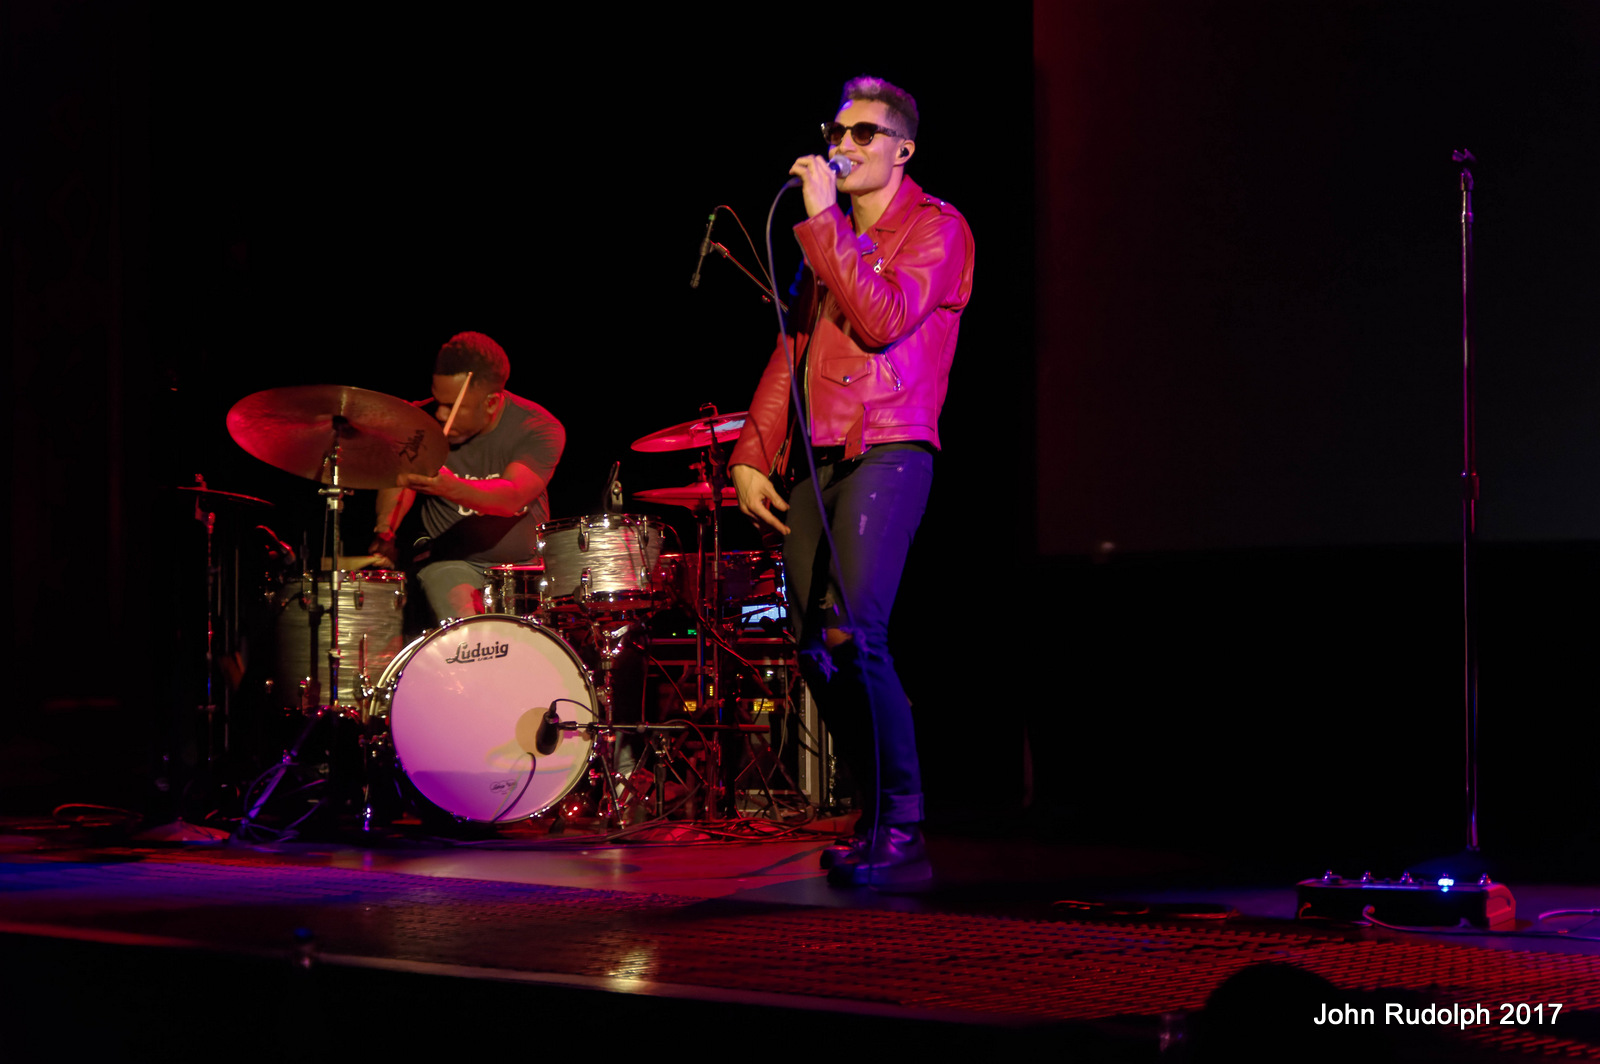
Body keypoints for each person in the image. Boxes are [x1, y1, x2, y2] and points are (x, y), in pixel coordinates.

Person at [729, 76, 975, 887]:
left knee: (854, 632)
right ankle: (874, 818)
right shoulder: (829, 241)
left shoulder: (938, 228)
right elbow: (793, 349)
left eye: (865, 133)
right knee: (812, 645)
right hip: (819, 453)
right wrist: (752, 452)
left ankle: (903, 827)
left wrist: (826, 221)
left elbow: (881, 319)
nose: (845, 144)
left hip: (892, 443)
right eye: (838, 130)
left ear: (903, 150)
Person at [370, 332, 565, 622]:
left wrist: (448, 486)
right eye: (438, 400)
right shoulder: (418, 422)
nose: (440, 414)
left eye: (453, 407)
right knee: (468, 624)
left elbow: (512, 496)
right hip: (451, 561)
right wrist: (385, 529)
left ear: (490, 403)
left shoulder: (537, 427)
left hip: (526, 566)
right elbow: (401, 481)